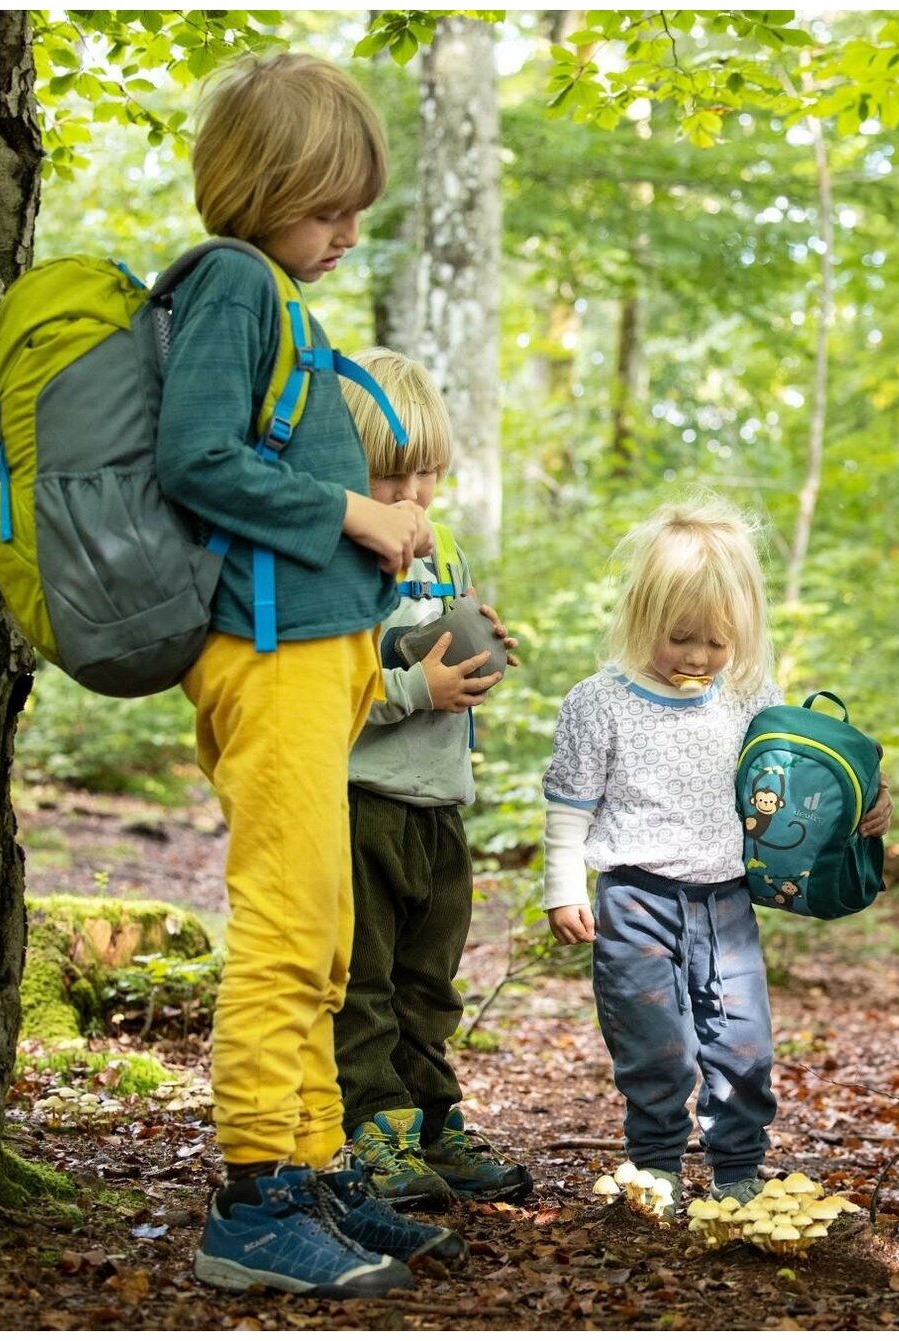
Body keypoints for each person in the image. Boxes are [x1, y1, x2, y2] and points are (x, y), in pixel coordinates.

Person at [155, 52, 442, 1299]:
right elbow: (196, 459)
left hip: (317, 666)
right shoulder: (231, 281)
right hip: (267, 662)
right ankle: (255, 1197)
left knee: (325, 928)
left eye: (355, 210)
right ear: (264, 186)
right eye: (328, 208)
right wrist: (355, 516)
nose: (346, 234)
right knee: (285, 926)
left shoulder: (274, 293)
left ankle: (318, 1169)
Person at [539, 495, 892, 1212]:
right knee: (654, 1043)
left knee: (743, 1041)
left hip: (725, 899)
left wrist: (866, 805)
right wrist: (562, 884)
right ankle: (655, 1165)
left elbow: (794, 779)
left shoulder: (747, 697)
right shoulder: (599, 704)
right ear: (641, 616)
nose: (698, 657)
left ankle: (736, 1169)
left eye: (717, 641)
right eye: (680, 637)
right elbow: (570, 804)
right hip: (635, 896)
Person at [332, 348, 535, 1211]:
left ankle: (431, 1117)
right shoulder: (339, 553)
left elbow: (454, 631)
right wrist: (418, 686)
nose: (413, 497)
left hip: (441, 803)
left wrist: (488, 646)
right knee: (366, 977)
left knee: (430, 977)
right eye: (391, 478)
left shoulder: (443, 546)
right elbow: (328, 688)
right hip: (363, 800)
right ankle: (373, 1128)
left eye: (429, 475)